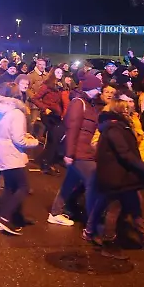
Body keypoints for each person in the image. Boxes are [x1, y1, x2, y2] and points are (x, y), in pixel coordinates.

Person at [92, 94, 144, 259]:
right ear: (118, 110)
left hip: (125, 176)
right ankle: (108, 244)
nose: (129, 109)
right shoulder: (114, 128)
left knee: (135, 208)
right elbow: (125, 153)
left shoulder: (120, 126)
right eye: (125, 107)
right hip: (117, 176)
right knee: (114, 209)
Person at [47, 72, 101, 228]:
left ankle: (55, 213)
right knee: (93, 182)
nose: (99, 91)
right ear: (90, 87)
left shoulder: (89, 103)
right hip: (79, 153)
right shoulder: (79, 103)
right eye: (97, 87)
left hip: (83, 151)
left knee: (69, 183)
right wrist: (69, 153)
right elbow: (72, 129)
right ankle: (93, 223)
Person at [0, 81, 39, 235]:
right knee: (23, 187)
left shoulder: (1, 109)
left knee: (10, 187)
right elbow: (19, 139)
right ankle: (5, 218)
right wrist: (34, 141)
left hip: (2, 149)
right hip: (12, 152)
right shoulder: (17, 113)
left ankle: (4, 217)